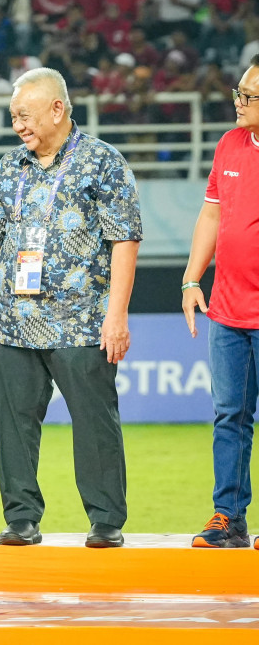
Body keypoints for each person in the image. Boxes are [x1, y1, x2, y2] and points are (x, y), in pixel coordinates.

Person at [0, 67, 142, 549]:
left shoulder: (102, 161)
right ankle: (21, 518)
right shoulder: (9, 167)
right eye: (13, 117)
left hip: (83, 322)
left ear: (57, 109)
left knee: (95, 424)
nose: (18, 125)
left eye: (24, 115)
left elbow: (124, 240)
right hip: (15, 322)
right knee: (13, 428)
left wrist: (117, 314)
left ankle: (106, 519)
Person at [183, 56, 259, 549]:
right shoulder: (230, 144)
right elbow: (211, 216)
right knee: (229, 415)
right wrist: (192, 279)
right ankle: (228, 518)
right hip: (228, 311)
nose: (238, 102)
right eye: (239, 92)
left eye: (249, 98)